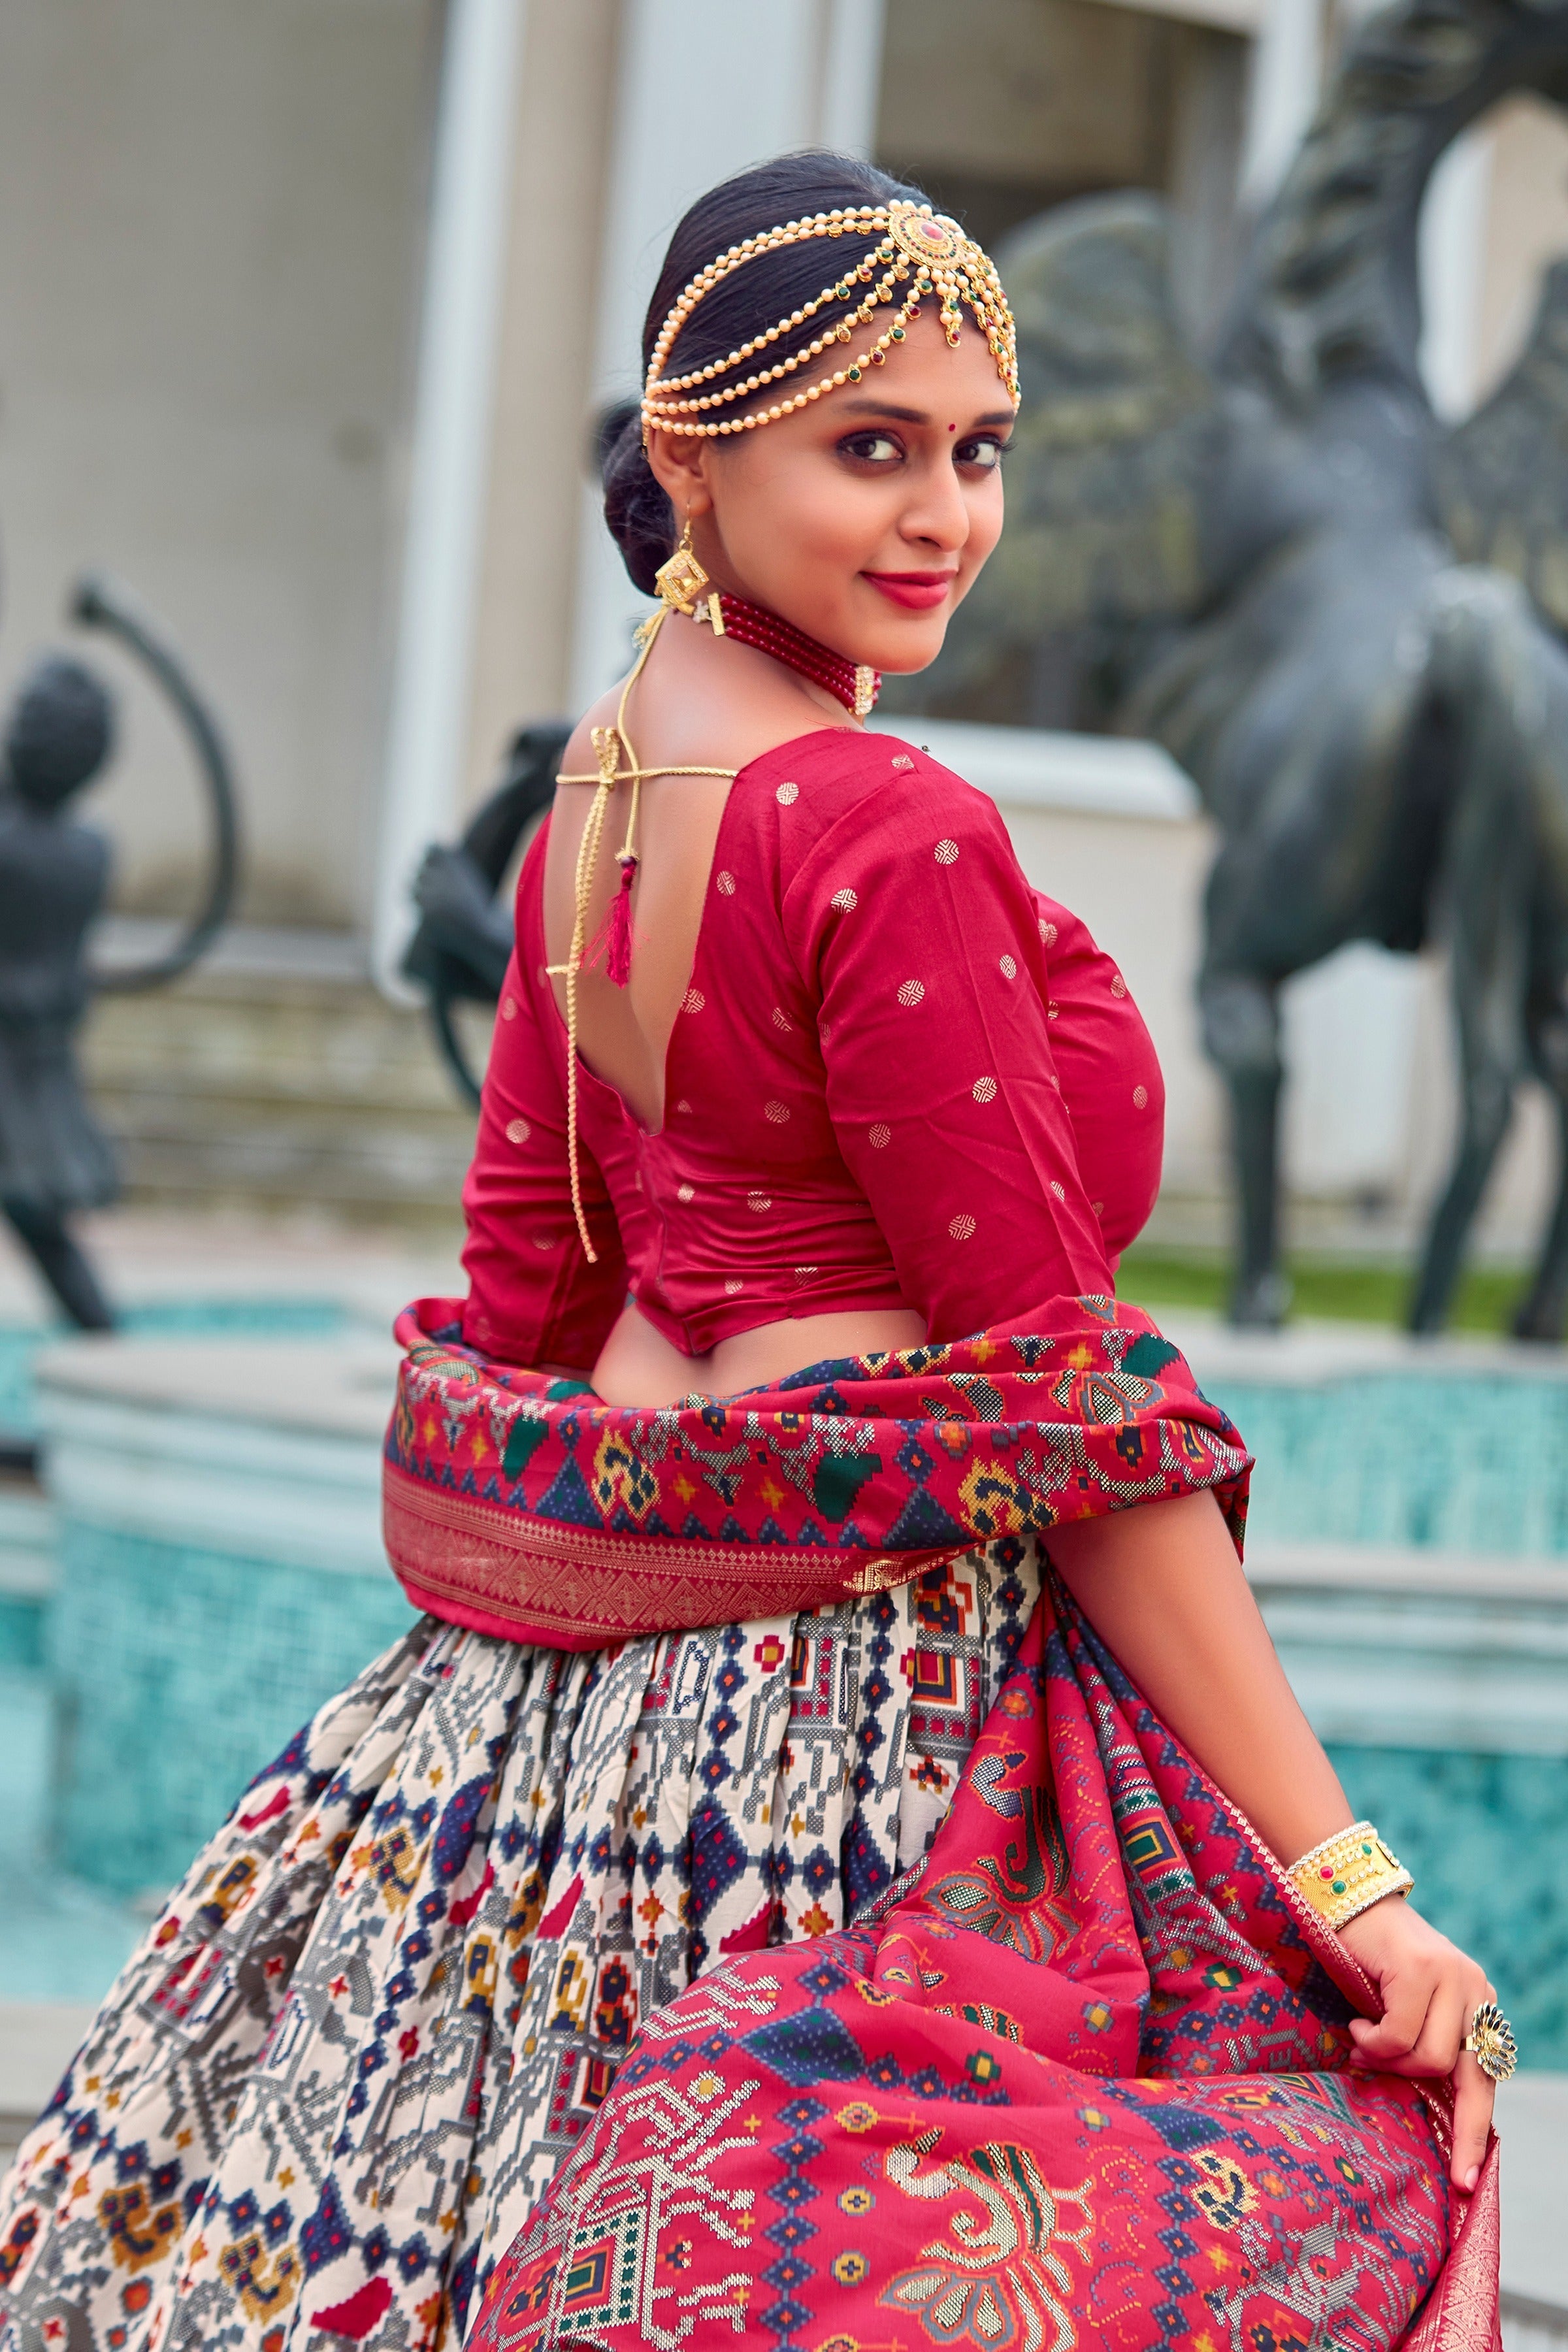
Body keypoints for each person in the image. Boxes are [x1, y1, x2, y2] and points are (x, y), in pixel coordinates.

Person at [0, 154, 1509, 2352]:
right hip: (855, 1705)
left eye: (978, 451)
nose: (944, 519)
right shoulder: (878, 822)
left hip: (562, 1722)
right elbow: (1056, 1403)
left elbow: (532, 1299)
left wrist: (574, 1591)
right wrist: (1345, 1879)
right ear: (690, 456)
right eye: (868, 447)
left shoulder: (601, 793)